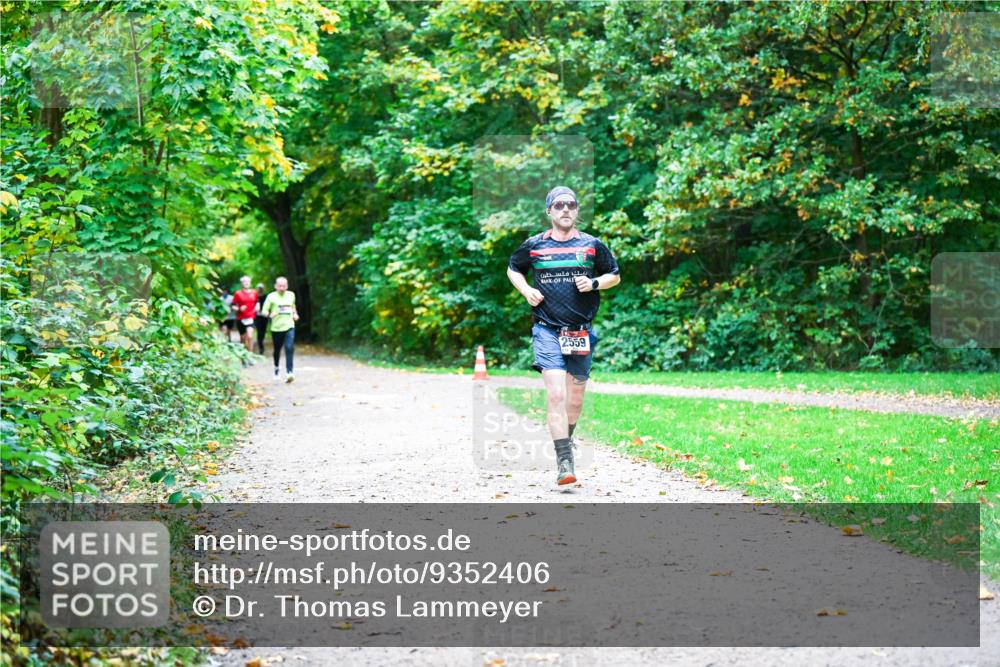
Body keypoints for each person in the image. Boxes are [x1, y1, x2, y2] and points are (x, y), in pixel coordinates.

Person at [507, 186, 620, 486]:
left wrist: (595, 283)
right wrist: (527, 290)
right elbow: (513, 269)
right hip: (546, 328)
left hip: (580, 332)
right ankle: (564, 463)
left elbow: (615, 275)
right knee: (556, 393)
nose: (565, 210)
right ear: (549, 212)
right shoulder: (534, 246)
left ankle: (565, 442)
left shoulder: (592, 245)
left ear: (577, 210)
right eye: (559, 205)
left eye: (570, 205)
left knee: (575, 399)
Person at [261, 276, 299, 383]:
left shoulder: (291, 295)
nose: (282, 288)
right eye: (280, 286)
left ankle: (289, 372)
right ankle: (276, 368)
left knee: (289, 347)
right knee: (277, 350)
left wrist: (295, 314)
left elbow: (293, 306)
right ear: (275, 286)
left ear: (287, 286)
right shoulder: (271, 297)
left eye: (284, 286)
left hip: (289, 326)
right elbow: (263, 311)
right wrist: (270, 314)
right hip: (276, 328)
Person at [231, 275, 259, 355]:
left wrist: (257, 306)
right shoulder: (238, 293)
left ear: (250, 283)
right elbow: (233, 306)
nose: (246, 283)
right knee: (243, 339)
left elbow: (257, 301)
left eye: (248, 281)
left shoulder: (254, 292)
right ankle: (244, 355)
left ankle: (250, 355)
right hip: (241, 318)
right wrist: (239, 308)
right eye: (244, 281)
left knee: (250, 336)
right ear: (242, 283)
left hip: (251, 317)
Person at [254, 283, 268, 355]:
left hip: (265, 316)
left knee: (263, 331)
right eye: (259, 288)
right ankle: (261, 346)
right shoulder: (255, 297)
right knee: (259, 331)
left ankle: (261, 341)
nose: (260, 289)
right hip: (257, 316)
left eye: (261, 288)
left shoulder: (266, 296)